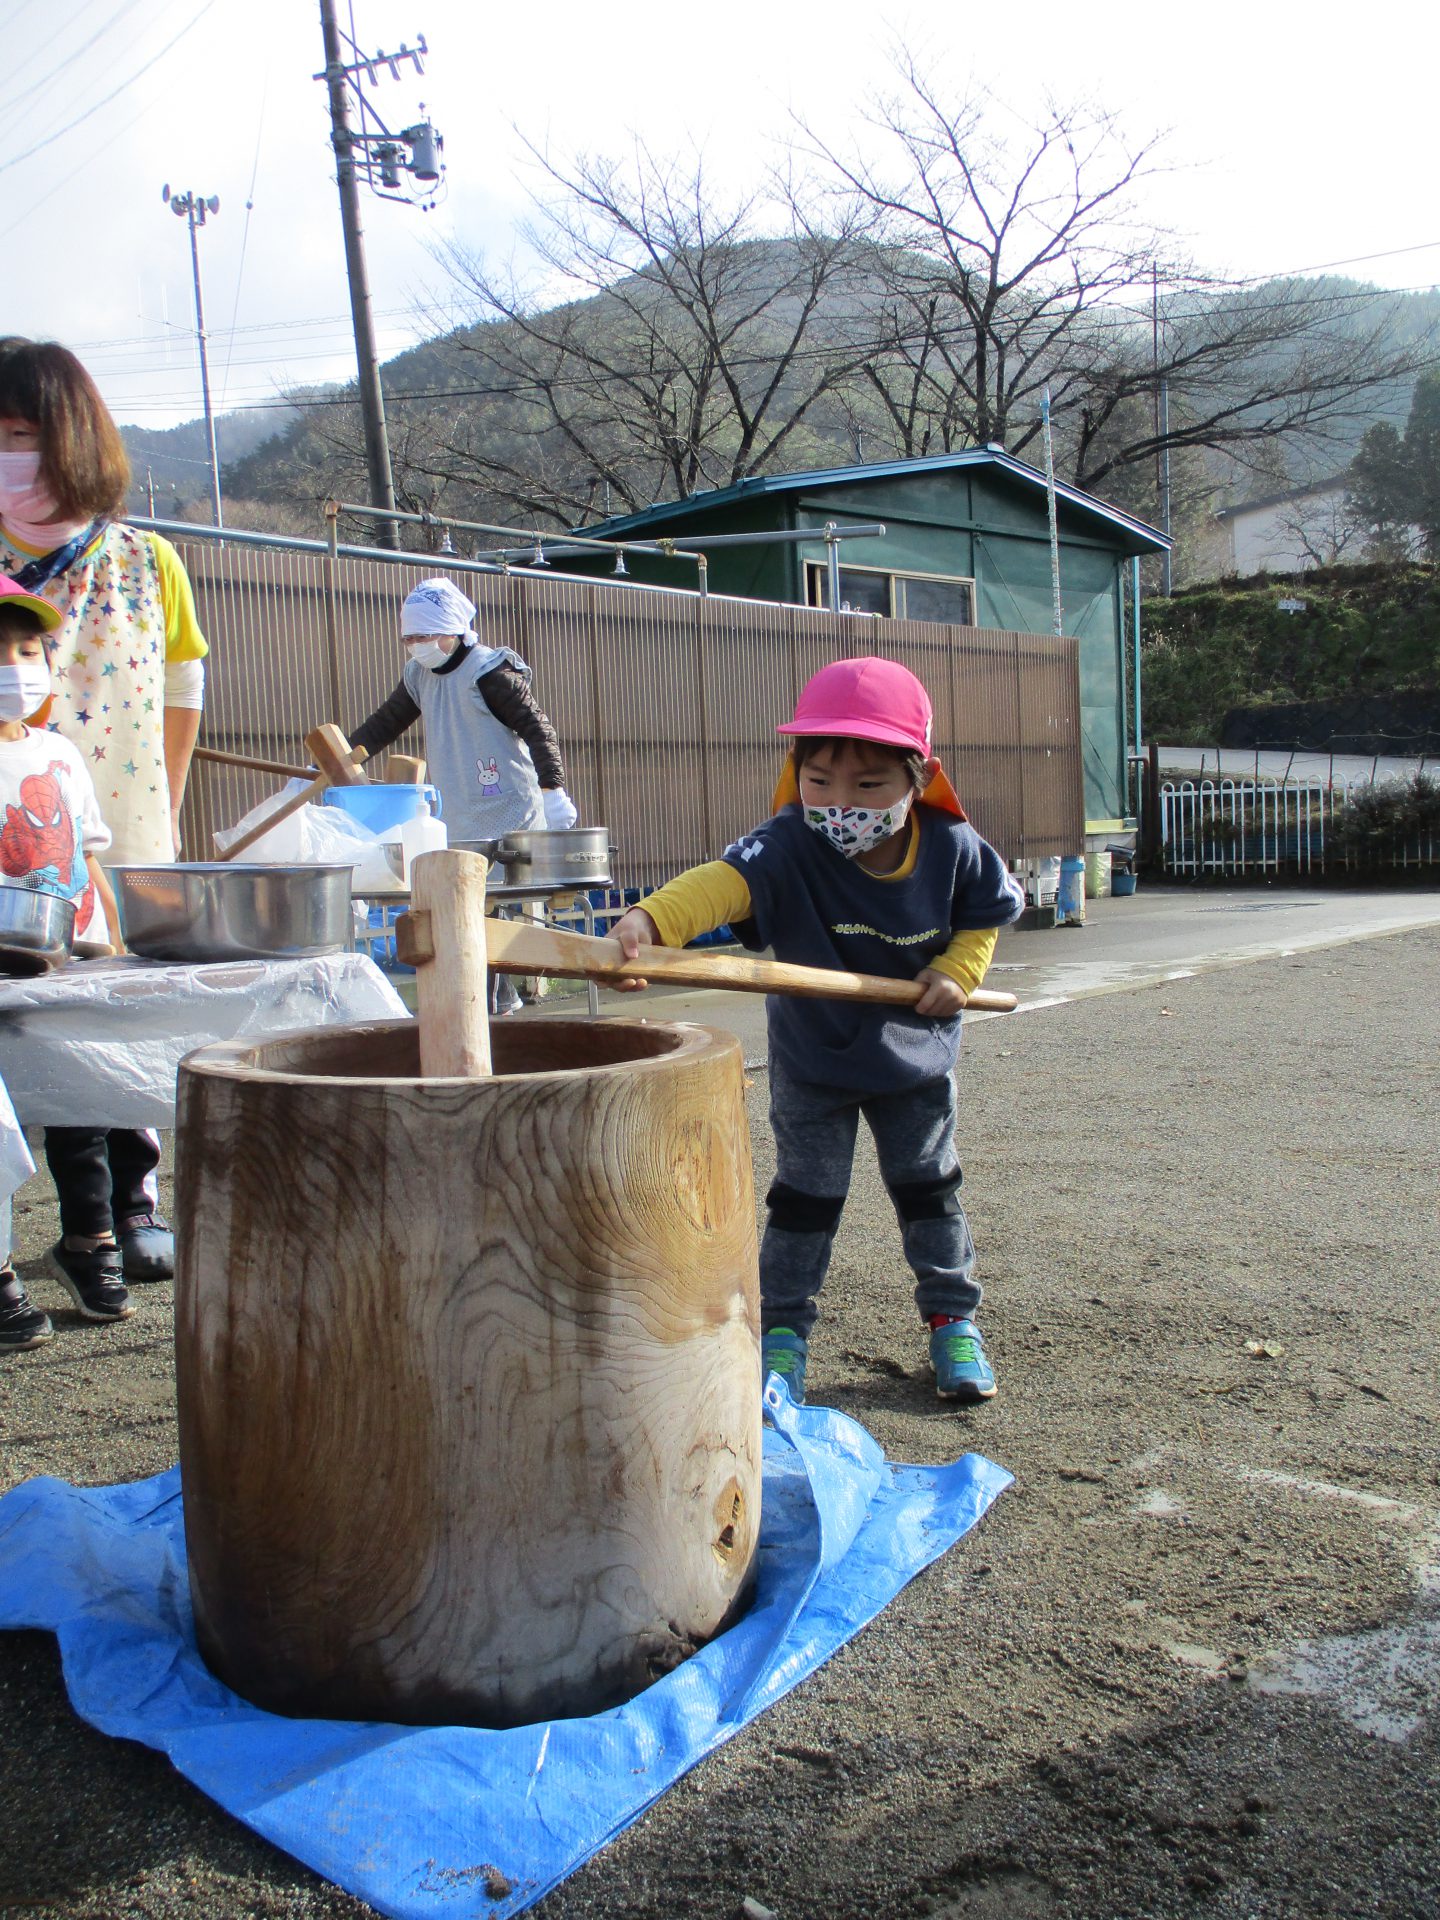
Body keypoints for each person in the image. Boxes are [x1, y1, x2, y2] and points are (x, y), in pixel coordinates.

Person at [611, 655, 1025, 1406]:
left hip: (914, 1059)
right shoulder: (788, 843)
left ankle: (952, 1321)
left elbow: (983, 917)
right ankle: (781, 1335)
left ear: (918, 778)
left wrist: (958, 973)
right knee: (804, 1200)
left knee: (930, 1191)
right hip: (814, 1060)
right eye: (820, 780)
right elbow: (721, 884)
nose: (840, 803)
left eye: (868, 785)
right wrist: (649, 921)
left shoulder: (952, 847)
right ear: (795, 771)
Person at [0, 337, 208, 1284]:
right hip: (14, 848)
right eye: (1, 437)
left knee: (124, 1015)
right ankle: (65, 1225)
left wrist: (164, 811)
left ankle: (135, 1206)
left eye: (27, 435)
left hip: (123, 830)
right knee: (33, 1026)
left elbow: (183, 688)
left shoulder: (147, 559)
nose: (14, 456)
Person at [0, 577, 131, 1349]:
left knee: (84, 1102)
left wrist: (112, 942)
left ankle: (91, 1241)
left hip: (68, 955)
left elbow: (89, 855)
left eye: (27, 650)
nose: (15, 667)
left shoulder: (57, 752)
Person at [350, 576, 578, 1014]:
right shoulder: (419, 675)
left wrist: (552, 789)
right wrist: (340, 759)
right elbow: (385, 723)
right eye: (409, 638)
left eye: (424, 636)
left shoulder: (490, 673)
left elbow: (538, 729)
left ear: (453, 629)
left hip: (509, 810)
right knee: (468, 906)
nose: (416, 646)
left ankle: (489, 1002)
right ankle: (497, 999)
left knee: (487, 908)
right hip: (459, 811)